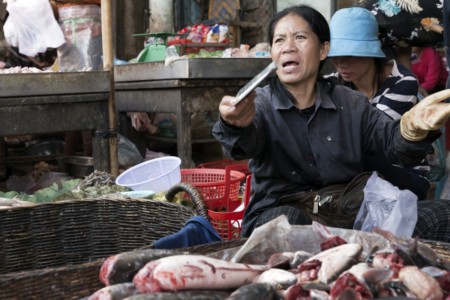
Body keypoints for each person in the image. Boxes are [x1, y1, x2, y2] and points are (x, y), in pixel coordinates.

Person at [212, 4, 450, 242]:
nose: (288, 47)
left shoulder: (351, 102)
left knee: (443, 214)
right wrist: (234, 125)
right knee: (289, 226)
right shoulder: (261, 104)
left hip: (349, 214)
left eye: (300, 37)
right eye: (279, 40)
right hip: (283, 214)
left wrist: (413, 130)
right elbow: (242, 146)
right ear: (273, 54)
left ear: (323, 50)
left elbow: (391, 145)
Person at [324, 7, 430, 200]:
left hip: (405, 175)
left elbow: (370, 140)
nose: (341, 63)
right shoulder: (331, 83)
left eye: (350, 55)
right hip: (360, 174)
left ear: (371, 52)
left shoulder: (403, 83)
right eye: (336, 55)